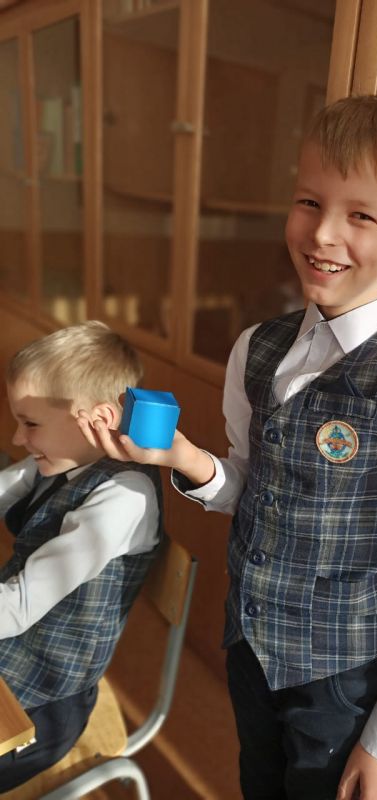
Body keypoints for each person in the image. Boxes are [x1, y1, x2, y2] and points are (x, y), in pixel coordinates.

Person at [79, 95, 377, 800]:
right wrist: (182, 458)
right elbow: (256, 484)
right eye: (310, 202)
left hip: (341, 679)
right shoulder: (259, 347)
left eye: (361, 216)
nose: (324, 234)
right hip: (251, 648)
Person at [0, 321, 164, 792]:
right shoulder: (62, 457)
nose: (17, 438)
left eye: (31, 423)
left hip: (46, 704)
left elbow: (19, 606)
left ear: (98, 420)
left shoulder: (123, 497)